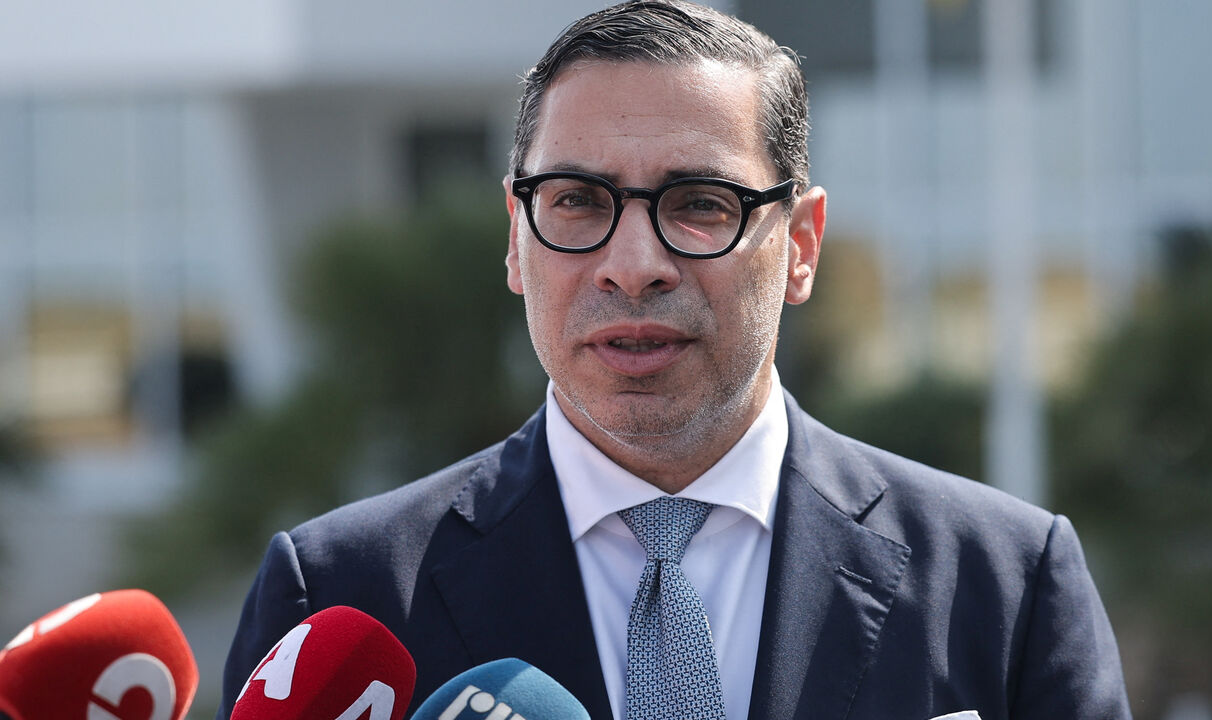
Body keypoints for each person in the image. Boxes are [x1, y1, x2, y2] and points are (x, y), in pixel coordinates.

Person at [218, 2, 1132, 719]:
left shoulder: (1006, 582)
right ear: (515, 238)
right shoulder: (342, 598)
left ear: (802, 245)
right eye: (577, 201)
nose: (634, 265)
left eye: (699, 203)